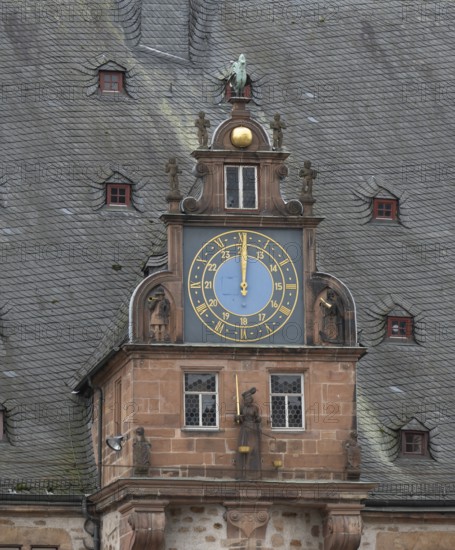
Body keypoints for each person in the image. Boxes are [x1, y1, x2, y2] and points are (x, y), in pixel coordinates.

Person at [235, 388, 262, 479]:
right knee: (243, 448)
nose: (248, 401)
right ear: (245, 400)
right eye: (246, 400)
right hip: (245, 428)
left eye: (249, 399)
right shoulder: (242, 408)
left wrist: (258, 419)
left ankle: (253, 472)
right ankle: (242, 471)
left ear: (251, 400)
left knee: (253, 448)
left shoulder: (255, 408)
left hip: (253, 428)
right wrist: (238, 417)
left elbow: (258, 418)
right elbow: (237, 420)